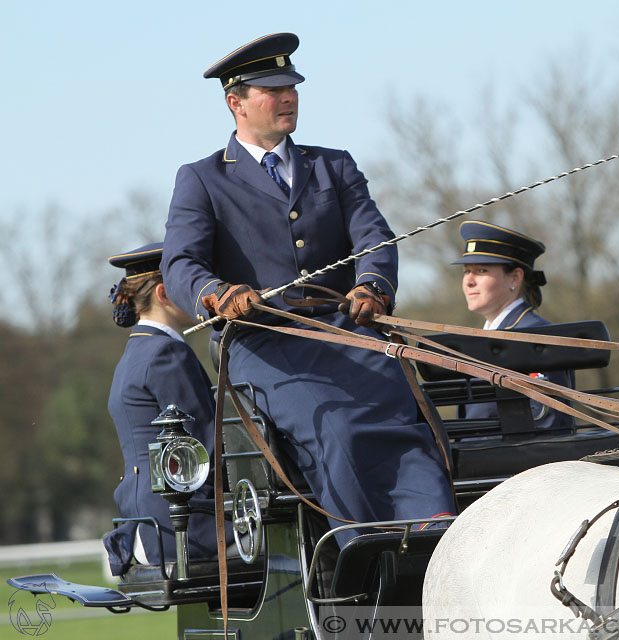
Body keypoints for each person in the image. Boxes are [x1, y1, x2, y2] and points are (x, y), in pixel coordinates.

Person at [160, 33, 456, 545]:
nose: (288, 96)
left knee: (407, 419)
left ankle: (437, 544)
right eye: (272, 89)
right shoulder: (202, 179)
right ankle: (364, 553)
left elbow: (374, 237)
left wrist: (373, 286)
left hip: (348, 335)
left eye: (292, 85)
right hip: (265, 347)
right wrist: (217, 294)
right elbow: (180, 262)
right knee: (337, 429)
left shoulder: (334, 165)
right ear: (236, 102)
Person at [102, 243, 219, 575]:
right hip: (184, 530)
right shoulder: (168, 355)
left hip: (147, 526)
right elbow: (205, 448)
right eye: (189, 285)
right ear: (166, 293)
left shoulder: (135, 353)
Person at [453, 221, 575, 431]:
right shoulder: (489, 335)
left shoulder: (534, 334)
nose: (469, 281)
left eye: (481, 270)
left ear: (515, 278)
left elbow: (546, 422)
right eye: (466, 271)